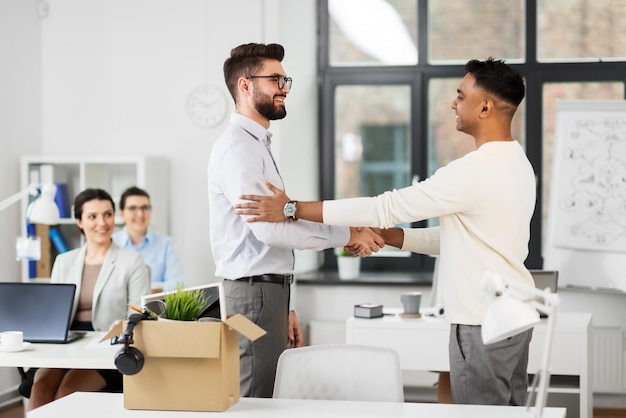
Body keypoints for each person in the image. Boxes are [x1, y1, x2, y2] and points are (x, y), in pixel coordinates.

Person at [234, 57, 537, 406]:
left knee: (482, 414)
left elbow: (386, 206)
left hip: (480, 321)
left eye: (460, 94)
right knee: (511, 410)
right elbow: (457, 238)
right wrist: (390, 237)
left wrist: (292, 208)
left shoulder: (474, 170)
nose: (453, 102)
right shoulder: (517, 163)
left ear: (485, 106)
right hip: (513, 317)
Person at [208, 42, 384, 398]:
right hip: (253, 292)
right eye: (275, 79)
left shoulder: (257, 144)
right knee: (256, 397)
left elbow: (276, 228)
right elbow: (271, 229)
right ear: (245, 85)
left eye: (285, 78)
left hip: (265, 291)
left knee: (269, 391)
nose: (285, 87)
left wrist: (284, 305)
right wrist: (347, 235)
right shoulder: (238, 149)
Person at [29, 188, 150, 410]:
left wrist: (124, 324)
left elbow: (139, 312)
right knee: (40, 388)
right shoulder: (64, 261)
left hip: (107, 347)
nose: (101, 223)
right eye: (92, 216)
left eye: (107, 214)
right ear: (79, 222)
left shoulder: (132, 261)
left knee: (66, 392)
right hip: (68, 344)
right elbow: (53, 311)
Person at [112, 186, 185, 291]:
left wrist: (140, 290)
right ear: (122, 213)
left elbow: (178, 283)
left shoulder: (166, 244)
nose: (140, 214)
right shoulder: (112, 243)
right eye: (133, 208)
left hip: (155, 306)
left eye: (145, 208)